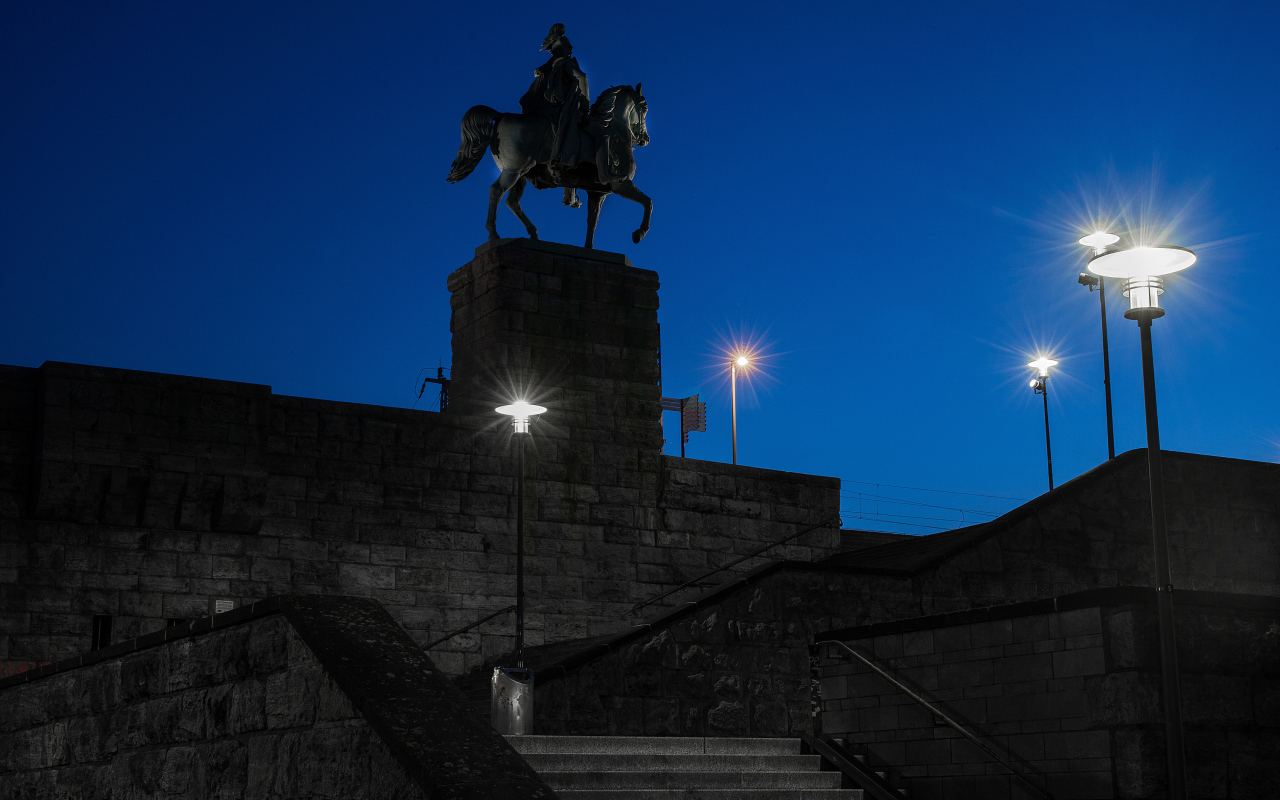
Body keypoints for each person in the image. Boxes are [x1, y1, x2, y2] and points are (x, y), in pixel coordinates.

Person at [519, 24, 593, 206]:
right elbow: (582, 78)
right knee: (574, 137)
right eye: (568, 46)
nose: (571, 49)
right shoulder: (564, 61)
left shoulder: (549, 66)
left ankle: (569, 194)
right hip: (562, 107)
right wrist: (585, 104)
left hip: (545, 108)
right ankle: (570, 192)